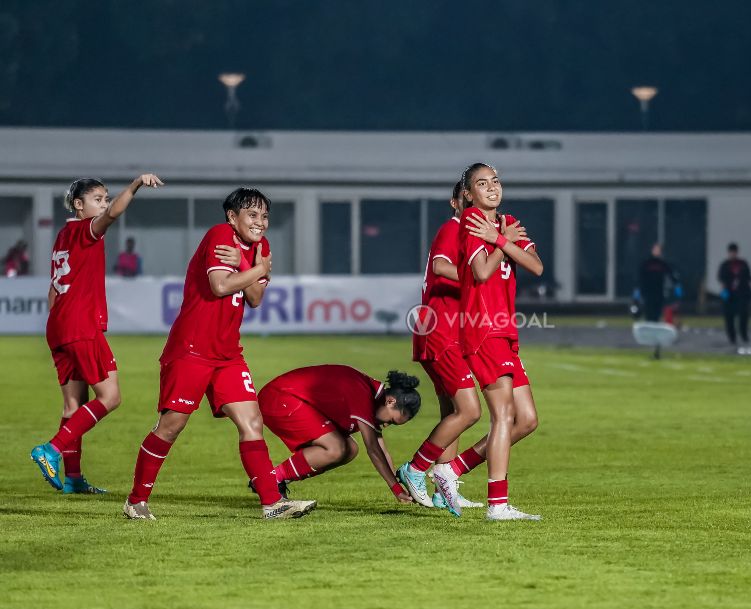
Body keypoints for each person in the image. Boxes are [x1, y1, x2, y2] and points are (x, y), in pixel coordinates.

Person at [122, 187, 315, 520]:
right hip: (191, 349)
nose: (261, 223)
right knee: (171, 425)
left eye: (265, 216)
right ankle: (136, 500)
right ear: (232, 217)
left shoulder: (260, 247)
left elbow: (254, 298)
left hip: (227, 354)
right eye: (252, 215)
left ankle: (272, 504)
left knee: (252, 422)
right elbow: (221, 286)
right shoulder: (220, 235)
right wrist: (260, 268)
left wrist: (248, 265)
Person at [413, 163, 543, 521]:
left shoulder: (505, 222)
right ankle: (497, 505)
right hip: (482, 329)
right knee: (499, 415)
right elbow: (482, 272)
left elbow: (536, 266)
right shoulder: (469, 223)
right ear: (467, 194)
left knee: (527, 420)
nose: (492, 188)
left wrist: (502, 239)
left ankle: (451, 470)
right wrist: (503, 243)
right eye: (482, 183)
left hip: (505, 329)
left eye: (496, 181)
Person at [29, 175, 163, 494]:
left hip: (59, 325)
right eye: (98, 199)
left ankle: (73, 479)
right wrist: (134, 186)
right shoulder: (85, 230)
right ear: (79, 205)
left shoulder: (64, 234)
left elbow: (52, 288)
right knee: (111, 396)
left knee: (74, 406)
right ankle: (51, 449)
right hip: (80, 326)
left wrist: (60, 322)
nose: (104, 204)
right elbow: (113, 215)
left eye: (105, 198)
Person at [259, 366, 419, 503]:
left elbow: (383, 450)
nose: (386, 425)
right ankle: (271, 480)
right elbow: (373, 448)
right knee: (335, 448)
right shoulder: (362, 392)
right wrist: (395, 488)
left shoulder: (374, 397)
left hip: (291, 399)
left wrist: (400, 487)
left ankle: (275, 480)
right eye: (391, 421)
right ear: (390, 401)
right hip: (280, 397)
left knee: (350, 449)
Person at [717, 242, 751, 345]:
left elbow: (749, 279)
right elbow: (722, 281)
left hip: (742, 294)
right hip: (729, 296)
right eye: (731, 252)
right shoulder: (724, 265)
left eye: (734, 252)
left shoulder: (743, 264)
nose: (733, 254)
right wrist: (724, 295)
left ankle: (744, 335)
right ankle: (732, 338)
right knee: (729, 317)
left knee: (743, 316)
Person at [635, 243, 681, 322]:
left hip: (659, 292)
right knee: (649, 311)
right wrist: (640, 290)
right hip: (648, 292)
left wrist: (677, 286)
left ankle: (655, 323)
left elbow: (671, 275)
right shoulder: (646, 263)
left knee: (657, 311)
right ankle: (649, 323)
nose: (657, 251)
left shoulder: (662, 264)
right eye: (655, 249)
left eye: (658, 250)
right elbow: (640, 277)